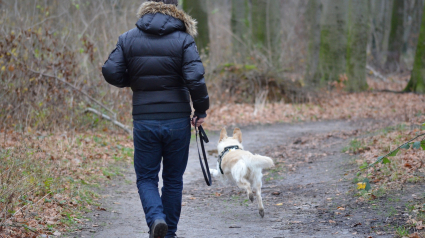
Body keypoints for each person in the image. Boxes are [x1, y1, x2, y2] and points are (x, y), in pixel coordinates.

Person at [102, 0, 209, 237]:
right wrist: (201, 111)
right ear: (176, 7)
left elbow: (111, 70)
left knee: (147, 177)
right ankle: (168, 233)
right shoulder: (184, 39)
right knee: (173, 179)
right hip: (177, 120)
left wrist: (136, 81)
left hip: (144, 118)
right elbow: (195, 78)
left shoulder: (128, 37)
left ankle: (156, 219)